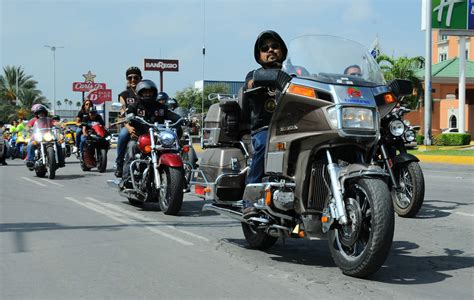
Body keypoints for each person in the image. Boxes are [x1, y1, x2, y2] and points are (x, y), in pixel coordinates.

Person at [243, 30, 287, 185]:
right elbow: (250, 84)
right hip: (264, 128)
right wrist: (267, 77)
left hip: (294, 126)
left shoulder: (295, 72)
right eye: (265, 48)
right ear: (259, 55)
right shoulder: (254, 74)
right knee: (264, 144)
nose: (270, 50)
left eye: (275, 46)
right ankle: (251, 192)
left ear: (282, 50)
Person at [121, 79, 181, 183]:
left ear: (154, 93)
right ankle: (126, 179)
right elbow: (127, 112)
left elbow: (172, 115)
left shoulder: (161, 107)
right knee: (131, 147)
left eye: (150, 92)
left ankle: (179, 178)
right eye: (145, 92)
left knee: (175, 150)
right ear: (140, 93)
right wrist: (128, 116)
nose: (148, 94)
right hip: (140, 138)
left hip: (158, 139)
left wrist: (183, 119)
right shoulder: (135, 106)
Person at [115, 66, 142, 178]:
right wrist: (129, 128)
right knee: (122, 135)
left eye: (135, 77)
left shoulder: (147, 92)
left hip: (144, 125)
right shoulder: (124, 95)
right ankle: (120, 164)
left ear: (140, 78)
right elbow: (122, 114)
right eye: (130, 78)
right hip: (129, 125)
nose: (133, 80)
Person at [25, 104, 64, 169]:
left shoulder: (49, 120)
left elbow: (57, 123)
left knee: (58, 145)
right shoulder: (33, 120)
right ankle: (30, 161)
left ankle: (60, 161)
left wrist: (62, 125)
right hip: (37, 138)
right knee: (30, 145)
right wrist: (28, 129)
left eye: (42, 112)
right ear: (36, 114)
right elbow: (27, 126)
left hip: (48, 137)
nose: (41, 114)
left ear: (45, 113)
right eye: (39, 113)